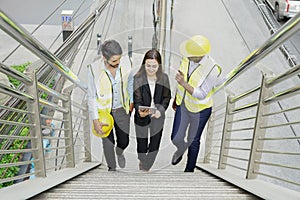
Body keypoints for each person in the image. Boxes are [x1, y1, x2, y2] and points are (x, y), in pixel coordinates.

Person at [171, 35, 223, 172]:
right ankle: (181, 148)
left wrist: (183, 83)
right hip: (183, 105)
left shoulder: (213, 70)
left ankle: (189, 172)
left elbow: (201, 94)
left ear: (200, 55)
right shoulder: (187, 58)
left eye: (191, 56)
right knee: (175, 138)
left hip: (200, 110)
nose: (187, 57)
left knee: (193, 141)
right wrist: (176, 98)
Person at [87, 39, 132, 171]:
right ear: (104, 58)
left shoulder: (126, 62)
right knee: (107, 143)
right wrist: (95, 119)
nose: (117, 63)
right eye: (114, 61)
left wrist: (132, 100)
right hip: (104, 113)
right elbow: (91, 96)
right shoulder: (94, 70)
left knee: (124, 141)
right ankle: (112, 169)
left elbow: (130, 81)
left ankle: (120, 152)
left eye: (119, 59)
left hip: (121, 110)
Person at [133, 49, 171, 171]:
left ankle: (146, 166)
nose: (150, 69)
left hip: (158, 115)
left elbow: (167, 97)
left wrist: (160, 110)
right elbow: (137, 99)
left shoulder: (164, 78)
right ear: (144, 64)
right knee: (142, 144)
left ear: (159, 66)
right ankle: (142, 160)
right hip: (142, 115)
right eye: (148, 65)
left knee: (155, 144)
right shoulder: (137, 78)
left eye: (154, 66)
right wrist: (140, 110)